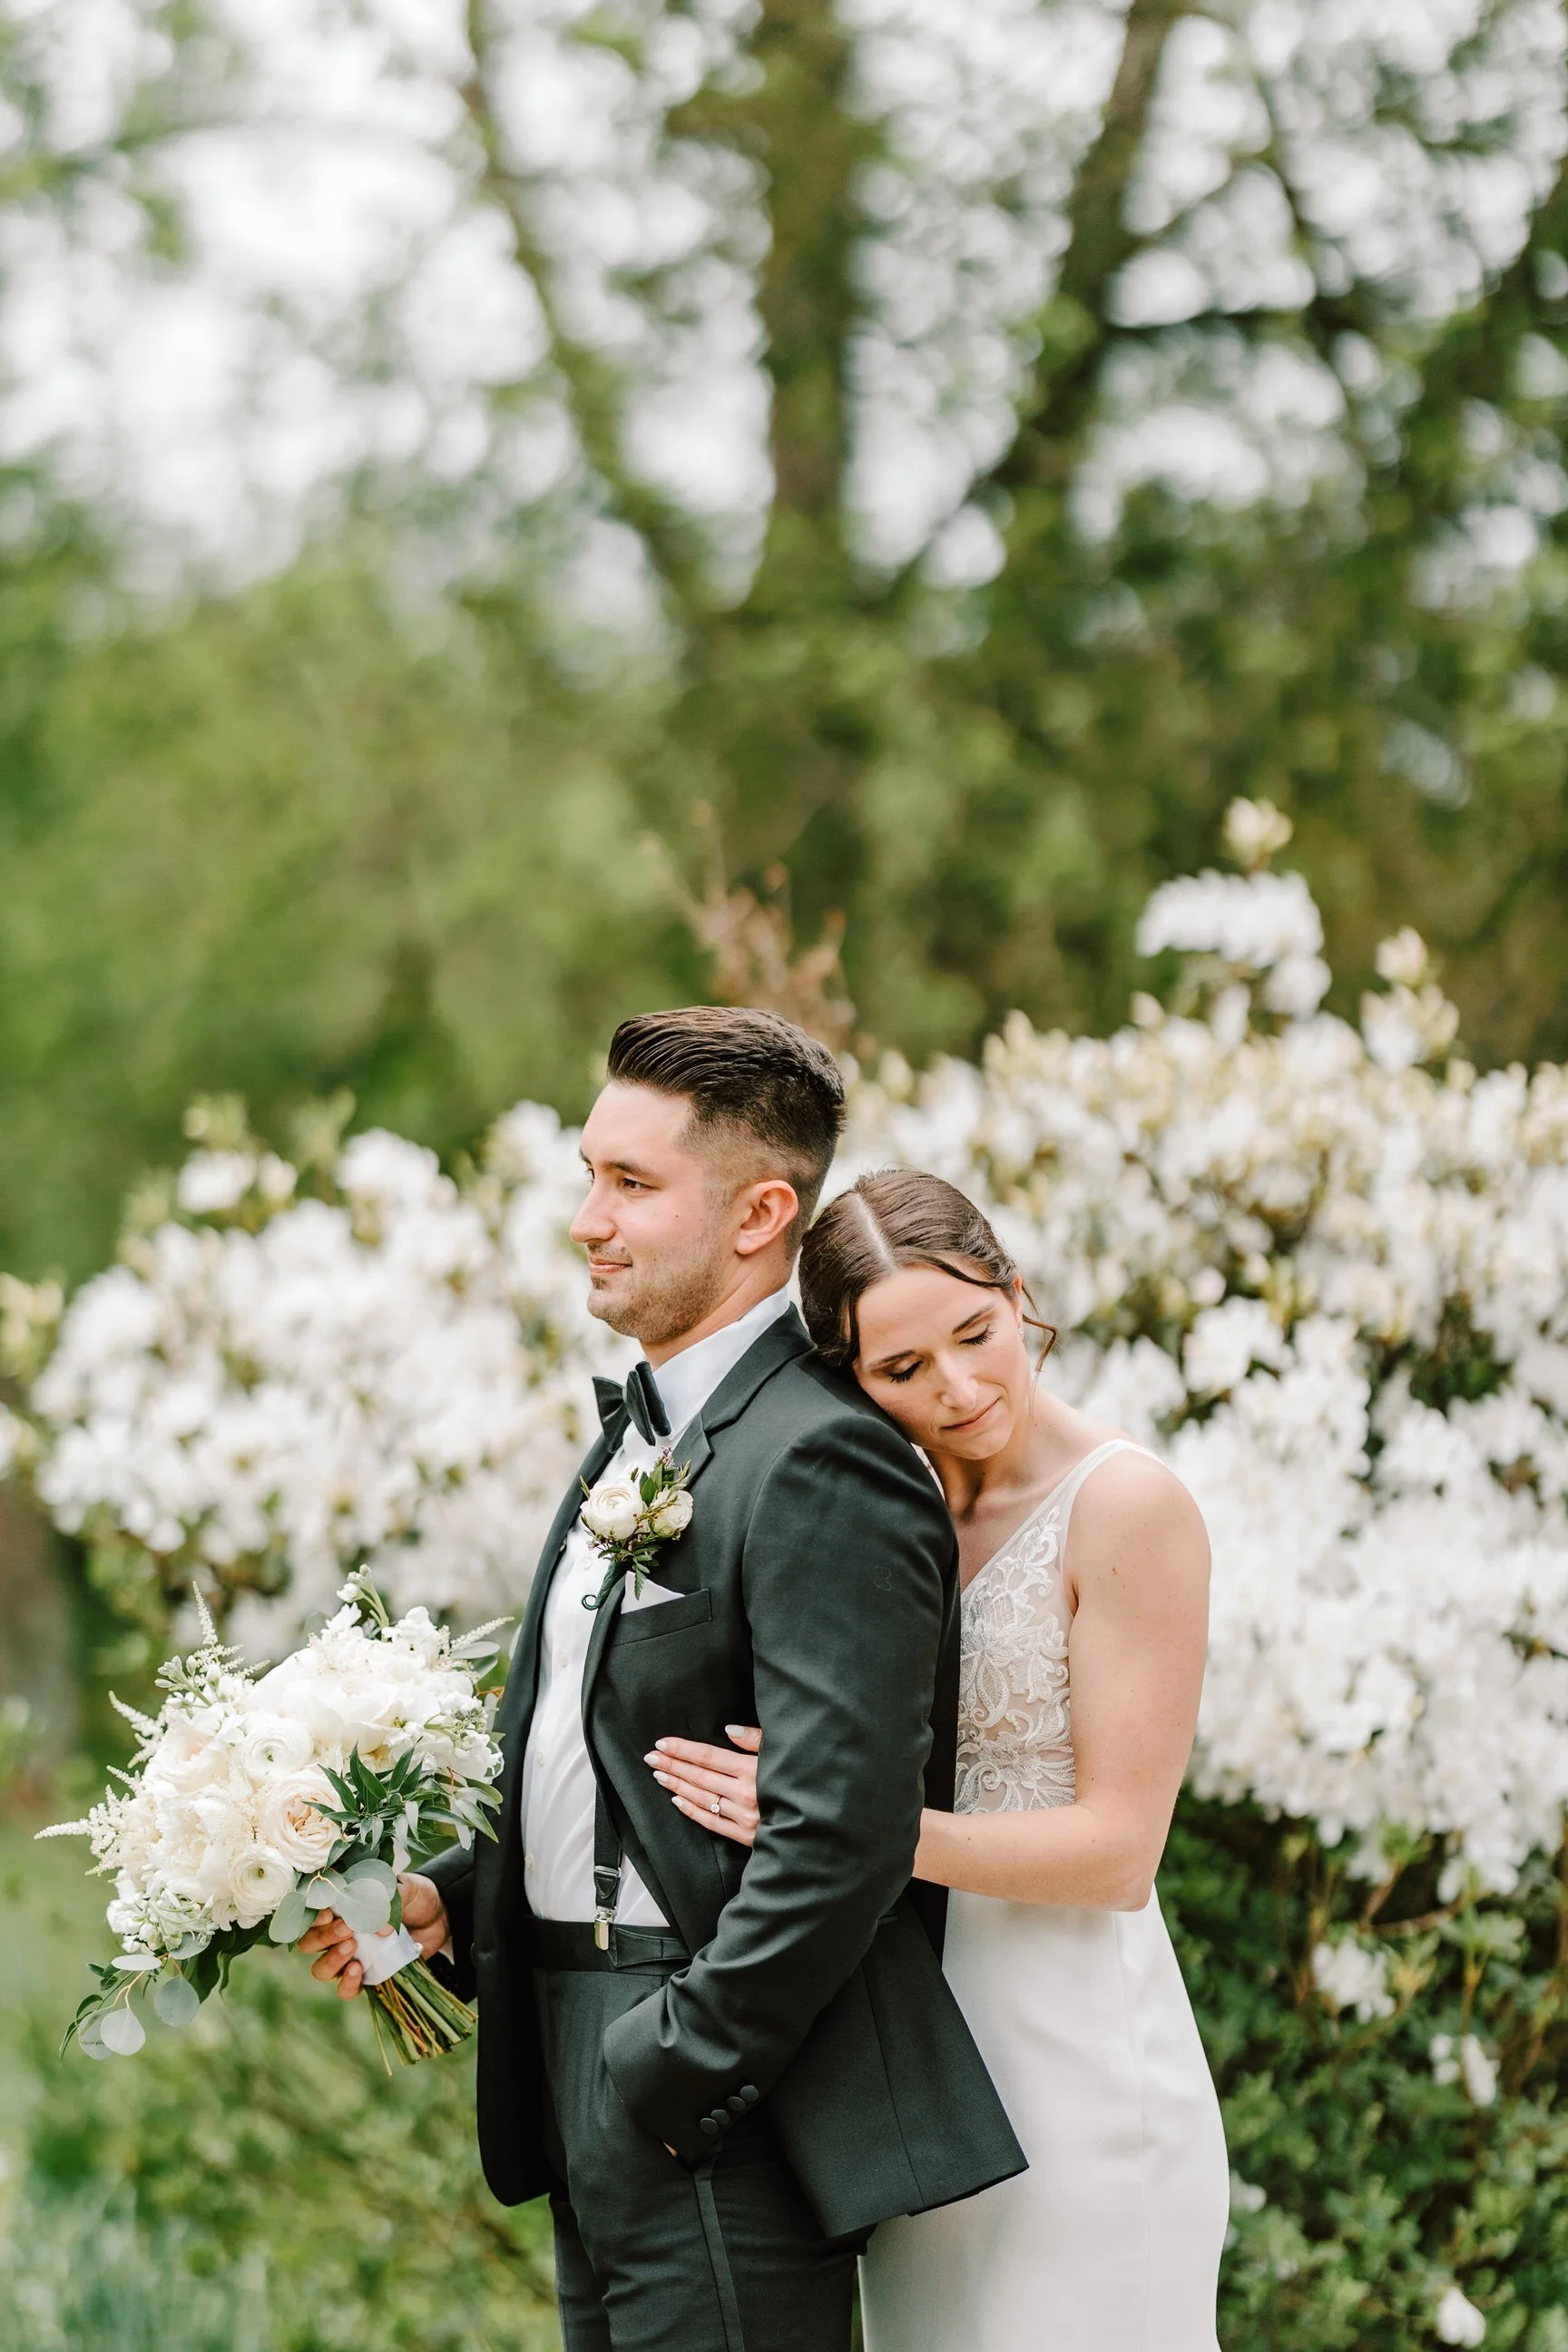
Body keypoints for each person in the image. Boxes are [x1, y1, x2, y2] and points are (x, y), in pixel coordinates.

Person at [300, 1014, 1024, 2352]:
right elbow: (608, 1755)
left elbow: (840, 1836)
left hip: (713, 2092)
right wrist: (444, 1904)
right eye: (590, 1173)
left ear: (761, 1212)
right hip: (574, 2033)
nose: (587, 1218)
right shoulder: (639, 1440)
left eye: (631, 1184)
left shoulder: (822, 1459)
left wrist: (677, 2061)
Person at [648, 1167, 1230, 2352]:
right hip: (909, 2076)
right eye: (904, 1370)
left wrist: (838, 1825)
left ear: (1018, 1295)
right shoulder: (863, 1512)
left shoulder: (1125, 1508)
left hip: (1080, 2072)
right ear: (850, 1380)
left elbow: (1122, 1852)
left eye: (978, 1333)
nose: (960, 1389)